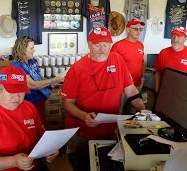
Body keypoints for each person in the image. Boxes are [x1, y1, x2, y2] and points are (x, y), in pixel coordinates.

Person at [60, 27, 145, 171]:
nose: (102, 49)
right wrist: (84, 116)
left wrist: (144, 111)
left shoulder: (117, 59)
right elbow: (67, 103)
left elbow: (130, 89)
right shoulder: (77, 69)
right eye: (97, 44)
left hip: (110, 130)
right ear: (89, 44)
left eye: (106, 44)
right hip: (83, 133)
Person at [0, 65, 58, 171]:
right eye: (12, 91)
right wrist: (14, 161)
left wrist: (50, 149)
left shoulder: (29, 107)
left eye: (21, 91)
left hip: (32, 166)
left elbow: (42, 137)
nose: (17, 97)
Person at [11, 36, 64, 124]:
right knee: (32, 128)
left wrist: (50, 84)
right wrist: (53, 80)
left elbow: (39, 78)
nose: (34, 50)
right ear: (23, 49)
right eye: (31, 48)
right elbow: (33, 85)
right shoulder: (17, 67)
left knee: (41, 125)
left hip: (39, 100)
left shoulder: (32, 62)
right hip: (28, 104)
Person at [153, 26, 187, 93]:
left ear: (185, 38)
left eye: (179, 36)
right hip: (165, 92)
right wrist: (156, 91)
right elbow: (158, 72)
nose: (175, 39)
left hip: (185, 94)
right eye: (173, 36)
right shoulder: (163, 53)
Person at [111, 19, 145, 114]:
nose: (138, 32)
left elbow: (141, 62)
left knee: (134, 111)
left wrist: (142, 77)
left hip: (137, 84)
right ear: (128, 29)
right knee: (119, 111)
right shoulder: (118, 46)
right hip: (122, 86)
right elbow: (111, 66)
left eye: (140, 29)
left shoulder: (140, 45)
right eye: (135, 29)